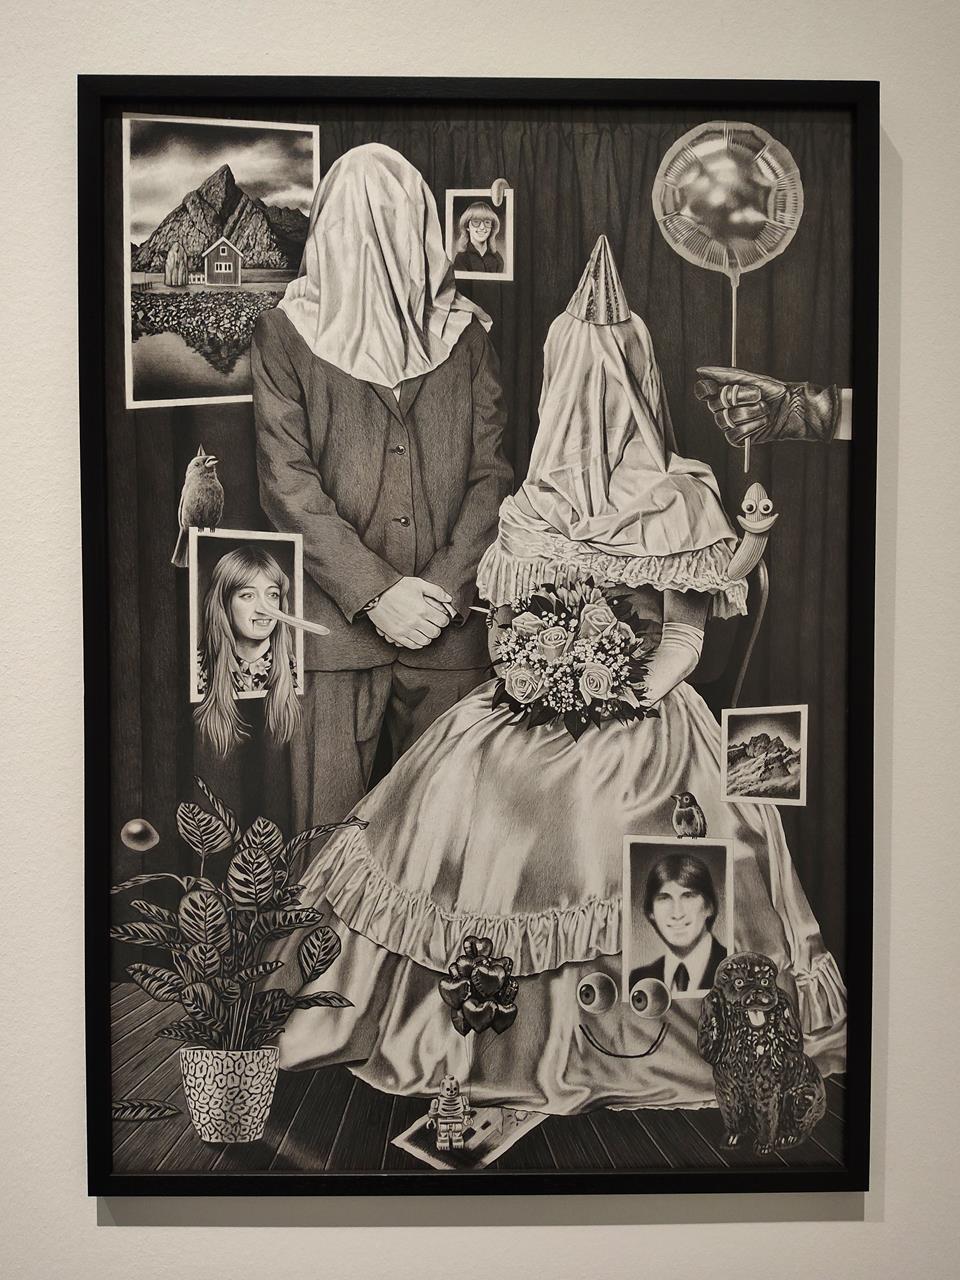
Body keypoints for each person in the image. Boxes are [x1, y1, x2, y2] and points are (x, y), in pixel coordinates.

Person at [269, 236, 846, 1116]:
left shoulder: (679, 495)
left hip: (646, 714)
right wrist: (539, 676)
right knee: (475, 808)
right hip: (533, 707)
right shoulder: (532, 506)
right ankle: (478, 1027)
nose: (592, 407)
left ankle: (629, 1038)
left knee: (612, 816)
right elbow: (505, 630)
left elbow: (684, 637)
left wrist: (623, 689)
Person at [251, 144, 513, 831]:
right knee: (327, 844)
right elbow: (286, 485)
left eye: (392, 223)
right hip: (334, 642)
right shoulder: (283, 334)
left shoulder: (467, 335)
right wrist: (376, 593)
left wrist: (445, 589)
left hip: (450, 637)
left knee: (451, 845)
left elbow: (492, 478)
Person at [194, 545, 301, 755]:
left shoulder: (294, 670)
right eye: (247, 595)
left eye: (272, 595)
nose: (264, 609)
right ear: (224, 603)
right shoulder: (200, 669)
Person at [628, 854, 727, 994]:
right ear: (651, 912)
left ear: (709, 906)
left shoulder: (734, 968)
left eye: (688, 896)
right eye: (664, 898)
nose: (677, 913)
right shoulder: (639, 980)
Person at [453, 201, 505, 273]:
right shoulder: (461, 259)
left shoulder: (497, 259)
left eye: (487, 222)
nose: (482, 227)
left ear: (492, 227)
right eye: (476, 222)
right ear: (467, 226)